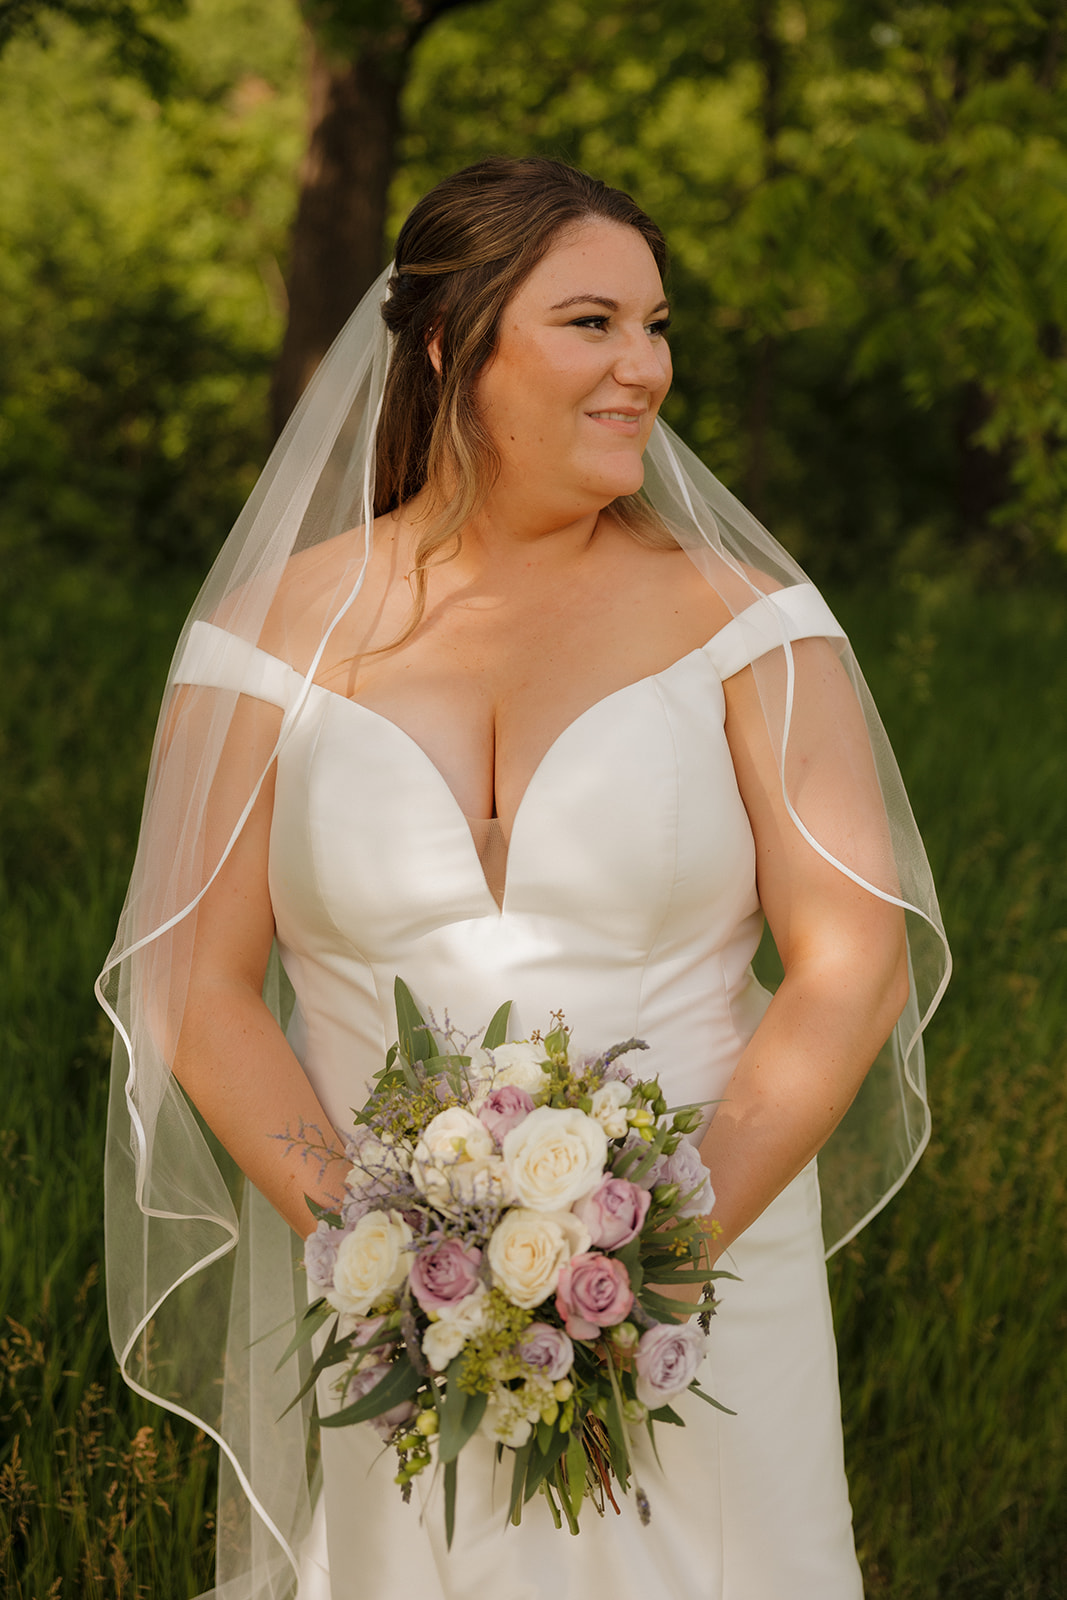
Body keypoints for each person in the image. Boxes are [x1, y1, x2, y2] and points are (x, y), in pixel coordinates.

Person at [98, 157, 949, 1600]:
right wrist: (386, 1252)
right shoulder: (262, 644)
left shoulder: (752, 629)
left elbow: (851, 964)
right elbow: (195, 980)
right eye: (593, 324)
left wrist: (658, 1251)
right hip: (397, 1318)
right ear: (448, 345)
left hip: (700, 1292)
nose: (645, 369)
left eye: (656, 325)